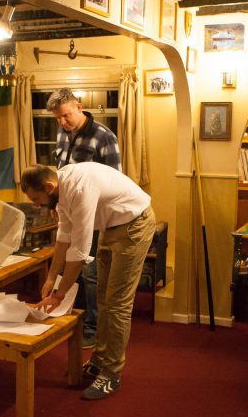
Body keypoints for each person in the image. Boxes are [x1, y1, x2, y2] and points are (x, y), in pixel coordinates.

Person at [21, 163, 155, 400]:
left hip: (134, 224)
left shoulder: (80, 189)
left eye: (36, 199)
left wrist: (59, 294)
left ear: (49, 187)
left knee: (117, 304)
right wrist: (51, 277)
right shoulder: (60, 190)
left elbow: (79, 252)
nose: (36, 205)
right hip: (110, 227)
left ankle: (112, 372)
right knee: (103, 298)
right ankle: (100, 359)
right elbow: (64, 236)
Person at [46, 87, 121, 350]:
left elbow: (114, 180)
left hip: (94, 215)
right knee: (70, 266)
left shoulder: (104, 136)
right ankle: (72, 319)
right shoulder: (62, 133)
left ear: (79, 106)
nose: (62, 122)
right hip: (69, 209)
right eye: (57, 118)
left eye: (66, 115)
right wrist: (57, 203)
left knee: (90, 273)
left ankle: (93, 328)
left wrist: (85, 212)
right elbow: (61, 174)